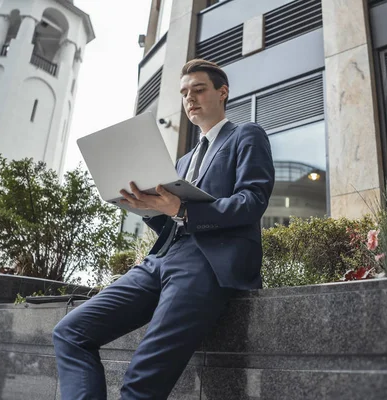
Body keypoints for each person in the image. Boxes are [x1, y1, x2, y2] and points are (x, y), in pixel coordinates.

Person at [52, 59, 275, 399]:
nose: (190, 98)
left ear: (222, 92)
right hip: (160, 260)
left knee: (140, 384)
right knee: (69, 333)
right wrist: (144, 205)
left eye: (198, 89)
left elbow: (252, 201)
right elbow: (171, 220)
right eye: (184, 93)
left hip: (206, 263)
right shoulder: (183, 161)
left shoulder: (246, 135)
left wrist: (183, 208)